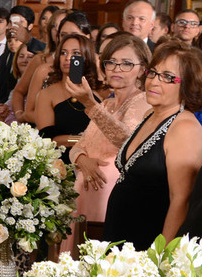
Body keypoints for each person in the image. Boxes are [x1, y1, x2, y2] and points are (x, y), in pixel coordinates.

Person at [105, 41, 202, 248]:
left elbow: (181, 200)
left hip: (149, 242)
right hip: (121, 234)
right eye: (153, 73)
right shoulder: (150, 114)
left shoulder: (184, 127)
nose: (154, 82)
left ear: (188, 84)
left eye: (168, 77)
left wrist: (160, 256)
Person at [63, 33, 151, 247]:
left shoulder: (143, 102)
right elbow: (79, 146)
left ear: (142, 70)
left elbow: (126, 140)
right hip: (86, 194)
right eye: (111, 63)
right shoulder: (108, 104)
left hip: (110, 197)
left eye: (127, 64)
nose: (117, 69)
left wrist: (90, 104)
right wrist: (82, 159)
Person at [31, 33, 101, 153]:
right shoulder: (46, 94)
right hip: (62, 160)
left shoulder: (99, 91)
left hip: (97, 157)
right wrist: (81, 139)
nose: (68, 58)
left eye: (76, 53)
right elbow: (47, 139)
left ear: (86, 57)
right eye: (63, 53)